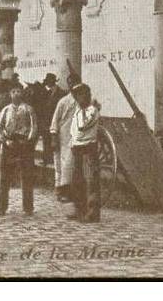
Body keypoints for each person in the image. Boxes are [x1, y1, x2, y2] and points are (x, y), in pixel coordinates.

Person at [0, 87, 38, 216]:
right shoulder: (5, 110)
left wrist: (28, 141)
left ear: (22, 93)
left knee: (27, 177)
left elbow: (34, 127)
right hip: (8, 145)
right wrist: (5, 140)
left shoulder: (29, 109)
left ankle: (28, 207)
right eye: (13, 91)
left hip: (24, 145)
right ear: (10, 94)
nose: (16, 94)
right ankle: (1, 207)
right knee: (4, 177)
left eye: (18, 91)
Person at [69, 83, 101, 223]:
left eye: (82, 95)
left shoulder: (92, 111)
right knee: (77, 180)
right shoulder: (77, 111)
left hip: (88, 147)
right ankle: (79, 209)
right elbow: (73, 130)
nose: (79, 98)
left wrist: (82, 109)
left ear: (87, 95)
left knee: (91, 181)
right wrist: (72, 142)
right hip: (77, 148)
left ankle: (92, 212)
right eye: (77, 96)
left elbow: (82, 126)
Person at [49, 75, 82, 201]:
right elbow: (55, 121)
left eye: (75, 83)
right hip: (64, 135)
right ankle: (62, 191)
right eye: (71, 83)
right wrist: (53, 136)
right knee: (64, 163)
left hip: (78, 136)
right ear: (68, 85)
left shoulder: (83, 101)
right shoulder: (63, 101)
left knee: (74, 164)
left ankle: (74, 191)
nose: (73, 85)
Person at [36, 73, 66, 166]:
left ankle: (55, 160)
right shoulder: (46, 93)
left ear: (52, 82)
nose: (47, 84)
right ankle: (46, 159)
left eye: (48, 82)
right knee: (46, 139)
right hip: (47, 120)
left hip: (57, 120)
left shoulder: (61, 93)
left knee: (56, 140)